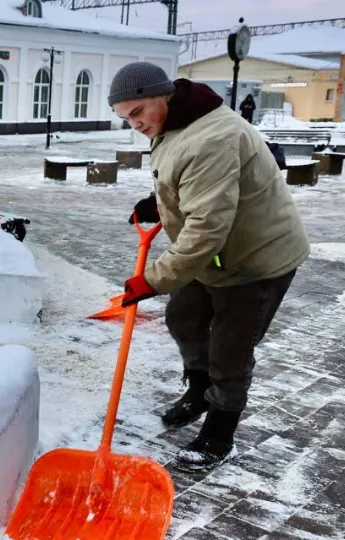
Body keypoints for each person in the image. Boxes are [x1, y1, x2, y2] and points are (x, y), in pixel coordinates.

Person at [107, 62, 310, 472]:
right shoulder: (177, 122)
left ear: (164, 94)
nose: (135, 124)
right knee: (183, 318)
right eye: (126, 117)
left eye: (139, 111)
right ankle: (199, 390)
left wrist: (151, 280)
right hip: (215, 256)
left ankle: (219, 434)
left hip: (256, 261)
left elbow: (205, 229)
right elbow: (189, 180)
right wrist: (161, 200)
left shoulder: (213, 137)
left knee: (230, 352)